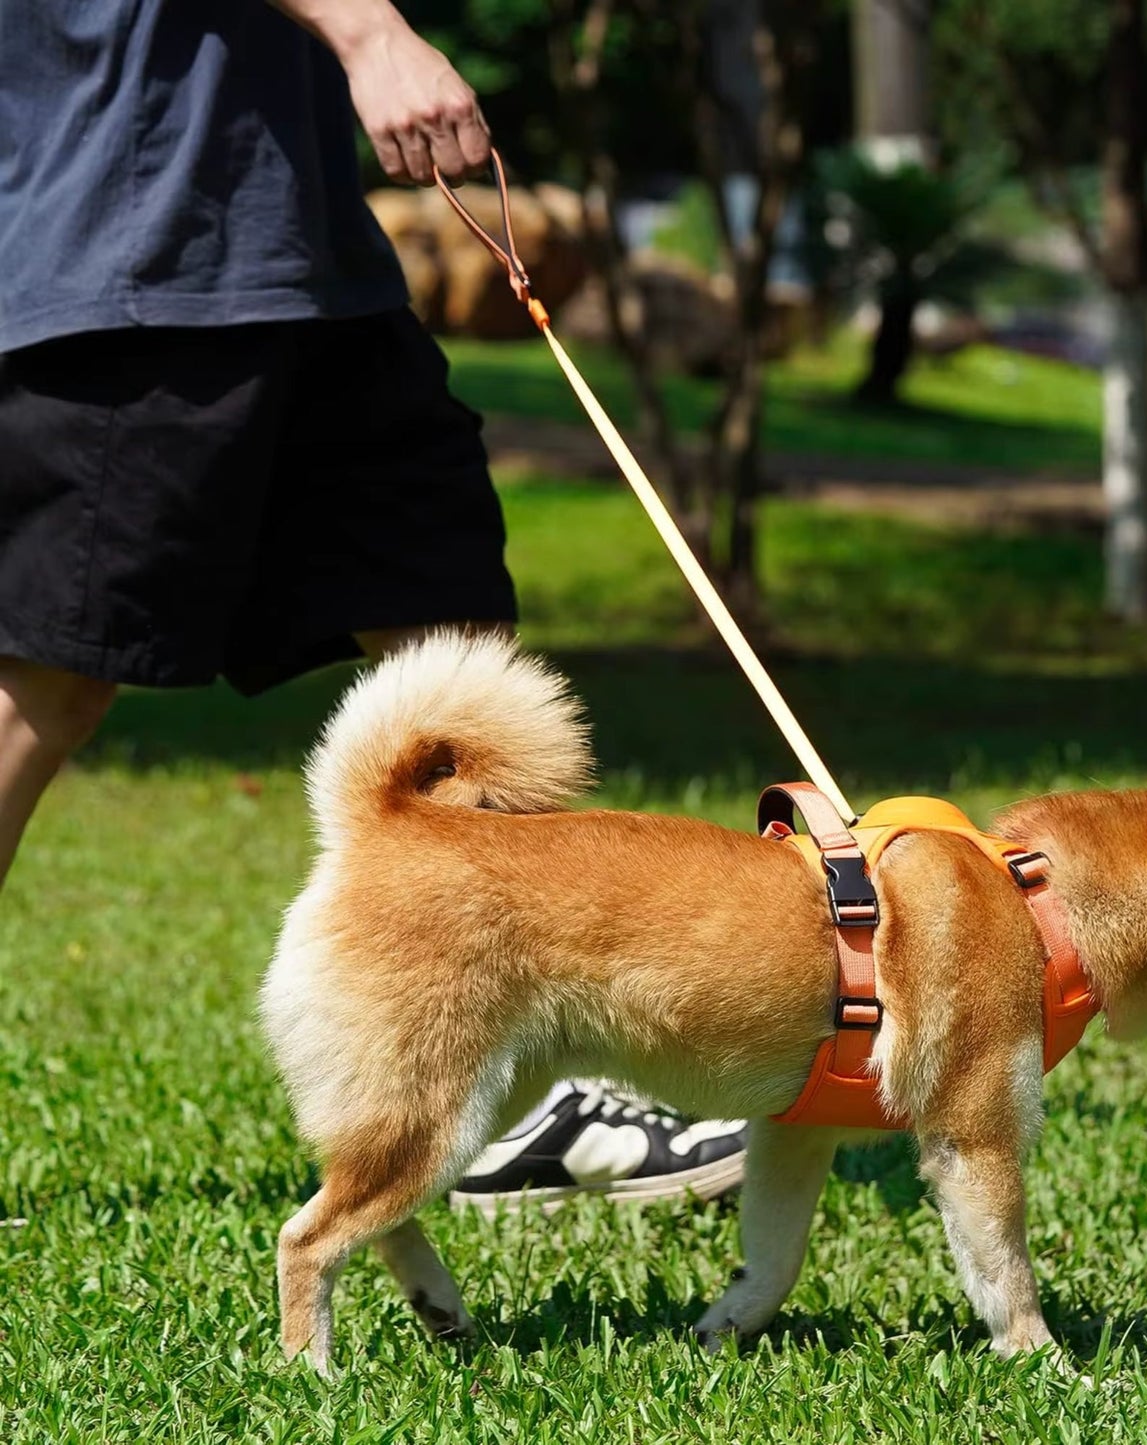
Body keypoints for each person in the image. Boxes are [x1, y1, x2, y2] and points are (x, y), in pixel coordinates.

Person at [0, 0, 744, 1211]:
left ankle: (531, 1082)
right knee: (49, 677)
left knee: (456, 654)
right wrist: (368, 33)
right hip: (133, 243)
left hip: (311, 263)